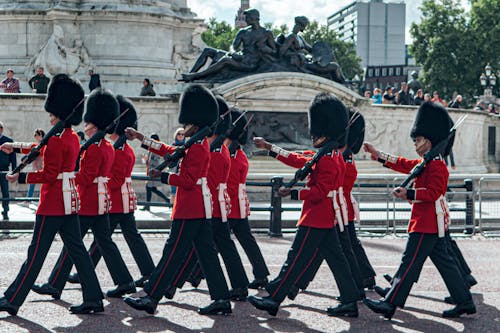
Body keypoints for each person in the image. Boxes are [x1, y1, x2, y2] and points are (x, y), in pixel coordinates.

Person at [248, 93, 361, 318]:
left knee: (296, 257)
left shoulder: (329, 158)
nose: (312, 136)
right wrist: (270, 147)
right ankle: (350, 300)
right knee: (337, 260)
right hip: (323, 218)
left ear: (324, 132)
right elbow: (297, 159)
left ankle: (274, 297)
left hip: (317, 217)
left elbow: (321, 192)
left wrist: (294, 193)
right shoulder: (327, 154)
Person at [124, 84, 232, 316]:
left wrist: (162, 176)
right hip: (197, 207)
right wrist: (141, 138)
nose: (185, 126)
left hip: (191, 207)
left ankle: (152, 296)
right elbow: (169, 150)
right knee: (207, 255)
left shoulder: (198, 147)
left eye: (188, 123)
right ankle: (222, 298)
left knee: (173, 252)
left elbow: (189, 180)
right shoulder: (196, 143)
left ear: (196, 122)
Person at [0, 74, 103, 316]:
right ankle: (94, 298)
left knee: (36, 253)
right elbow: (41, 146)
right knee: (78, 251)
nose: (50, 116)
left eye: (52, 112)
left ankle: (13, 299)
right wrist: (14, 146)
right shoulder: (69, 137)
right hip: (69, 201)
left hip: (54, 202)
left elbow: (49, 173)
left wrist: (21, 177)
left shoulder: (58, 138)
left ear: (58, 110)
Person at [362, 102, 476, 319]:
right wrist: (378, 155)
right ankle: (465, 301)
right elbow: (403, 163)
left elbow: (434, 193)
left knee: (409, 262)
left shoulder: (437, 165)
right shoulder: (427, 162)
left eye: (418, 140)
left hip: (428, 222)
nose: (415, 144)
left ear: (428, 140)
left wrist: (409, 194)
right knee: (445, 264)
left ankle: (390, 302)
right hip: (429, 222)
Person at [31, 88, 136, 302]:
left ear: (94, 124)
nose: (85, 127)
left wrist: (68, 178)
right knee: (102, 242)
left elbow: (86, 177)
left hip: (88, 201)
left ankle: (57, 284)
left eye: (88, 124)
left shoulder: (95, 148)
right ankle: (123, 280)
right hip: (101, 201)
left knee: (75, 244)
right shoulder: (106, 146)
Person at [163, 96, 250, 301]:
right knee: (210, 248)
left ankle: (171, 284)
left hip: (210, 205)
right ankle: (237, 285)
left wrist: (167, 176)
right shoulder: (218, 149)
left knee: (196, 248)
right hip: (214, 205)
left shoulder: (215, 152)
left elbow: (202, 181)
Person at [66, 95, 156, 289]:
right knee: (108, 240)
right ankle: (148, 272)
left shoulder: (121, 150)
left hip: (116, 200)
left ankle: (80, 273)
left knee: (103, 241)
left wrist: (98, 187)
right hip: (118, 200)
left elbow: (114, 180)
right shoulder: (118, 148)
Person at [288, 110, 376, 300]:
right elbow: (303, 159)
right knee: (335, 251)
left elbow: (320, 180)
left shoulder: (342, 159)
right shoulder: (336, 155)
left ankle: (359, 284)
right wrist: (272, 149)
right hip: (335, 209)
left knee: (341, 250)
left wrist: (297, 192)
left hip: (338, 210)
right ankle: (359, 284)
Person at [225, 108, 270, 289]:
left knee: (214, 241)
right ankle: (261, 274)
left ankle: (194, 274)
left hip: (230, 206)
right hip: (235, 205)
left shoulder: (233, 157)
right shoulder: (238, 155)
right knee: (247, 241)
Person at [182, 9, 276, 82]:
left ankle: (197, 76)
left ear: (253, 18)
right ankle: (191, 74)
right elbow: (233, 47)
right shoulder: (243, 32)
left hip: (250, 63)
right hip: (241, 58)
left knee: (225, 60)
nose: (245, 19)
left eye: (247, 17)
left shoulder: (266, 33)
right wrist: (234, 53)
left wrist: (265, 48)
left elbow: (275, 51)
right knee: (208, 51)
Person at [140, 133, 170, 211]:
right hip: (151, 172)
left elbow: (156, 162)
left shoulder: (156, 150)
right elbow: (149, 162)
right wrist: (145, 159)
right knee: (152, 189)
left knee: (149, 188)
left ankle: (147, 205)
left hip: (153, 172)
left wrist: (150, 165)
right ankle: (166, 200)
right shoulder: (152, 149)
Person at [0, 122, 16, 220]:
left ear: (1, 129)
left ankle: (5, 211)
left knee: (5, 192)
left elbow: (13, 158)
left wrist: (15, 171)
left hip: (4, 171)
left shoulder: (8, 141)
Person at [24, 129, 45, 204]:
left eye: (36, 135)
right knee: (32, 183)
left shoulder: (44, 145)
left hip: (42, 167)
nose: (35, 137)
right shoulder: (35, 145)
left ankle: (41, 200)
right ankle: (28, 199)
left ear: (40, 135)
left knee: (43, 184)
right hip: (35, 166)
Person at [169, 128, 185, 203]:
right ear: (176, 135)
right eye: (179, 134)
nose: (181, 136)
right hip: (174, 170)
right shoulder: (173, 145)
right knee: (173, 191)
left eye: (183, 134)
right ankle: (173, 209)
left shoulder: (188, 145)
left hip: (184, 172)